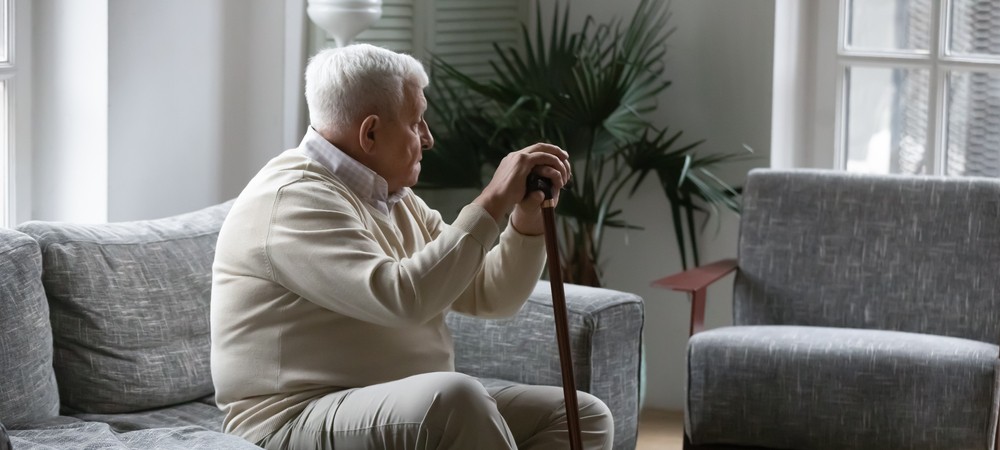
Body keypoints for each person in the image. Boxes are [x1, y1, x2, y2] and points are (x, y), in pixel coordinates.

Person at [210, 43, 614, 450]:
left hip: (403, 407)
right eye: (417, 122)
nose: (429, 138)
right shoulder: (292, 200)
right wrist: (491, 200)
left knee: (582, 415)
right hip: (293, 418)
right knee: (455, 400)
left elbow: (490, 294)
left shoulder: (391, 197)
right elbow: (401, 297)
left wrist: (524, 221)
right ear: (370, 132)